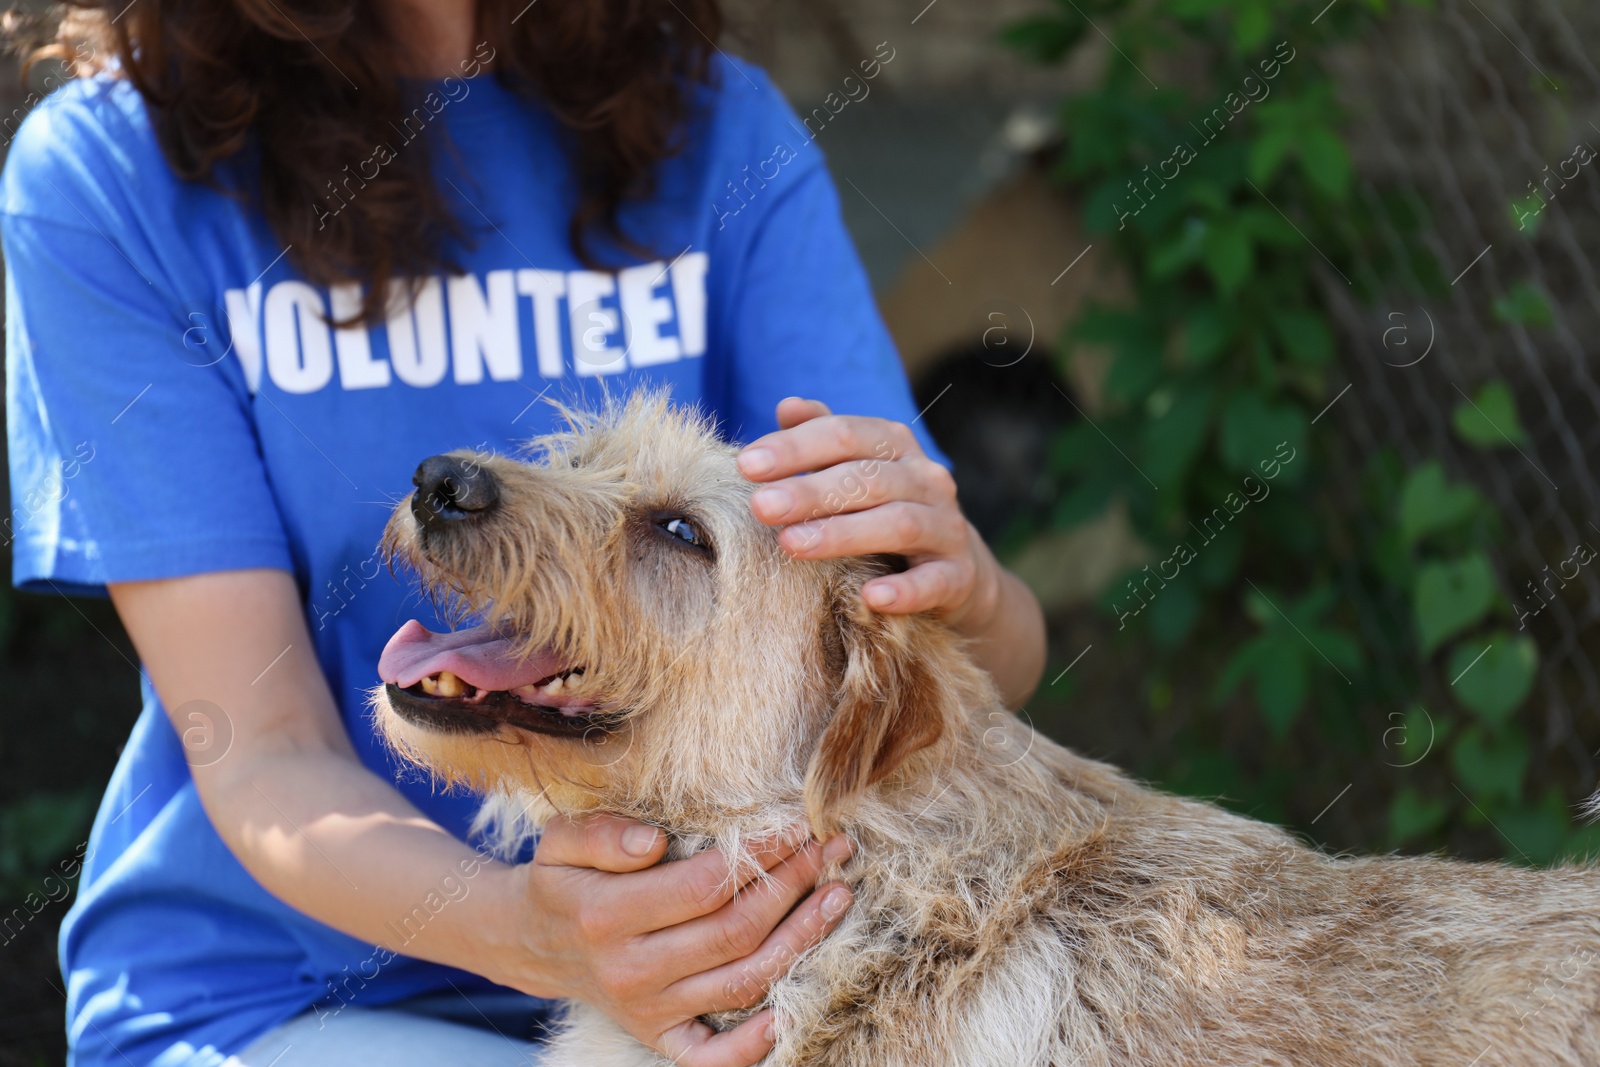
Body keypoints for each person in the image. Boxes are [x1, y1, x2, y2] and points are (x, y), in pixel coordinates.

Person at [1, 2, 1047, 1065]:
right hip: (290, 998)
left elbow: (949, 675)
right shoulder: (112, 174)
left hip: (736, 980)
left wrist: (968, 589)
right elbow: (265, 749)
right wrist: (539, 938)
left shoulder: (716, 128)